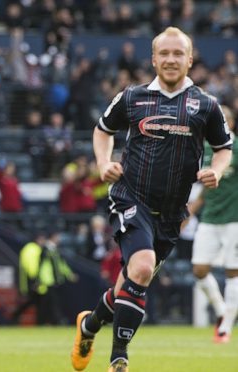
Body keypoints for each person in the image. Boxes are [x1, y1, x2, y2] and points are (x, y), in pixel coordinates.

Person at [70, 27, 233, 372]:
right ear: (154, 59)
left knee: (129, 284)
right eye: (165, 53)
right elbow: (103, 129)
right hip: (131, 198)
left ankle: (89, 326)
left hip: (173, 214)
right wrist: (103, 162)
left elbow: (223, 149)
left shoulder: (206, 105)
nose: (171, 60)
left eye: (178, 54)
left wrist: (217, 171)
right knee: (142, 267)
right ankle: (119, 360)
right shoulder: (132, 97)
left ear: (190, 59)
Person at [189, 105, 238, 344]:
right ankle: (221, 312)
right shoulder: (207, 148)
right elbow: (204, 190)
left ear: (230, 122)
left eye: (223, 120)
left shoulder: (236, 148)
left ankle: (225, 328)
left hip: (234, 219)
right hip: (209, 217)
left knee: (233, 271)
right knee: (199, 269)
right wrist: (190, 212)